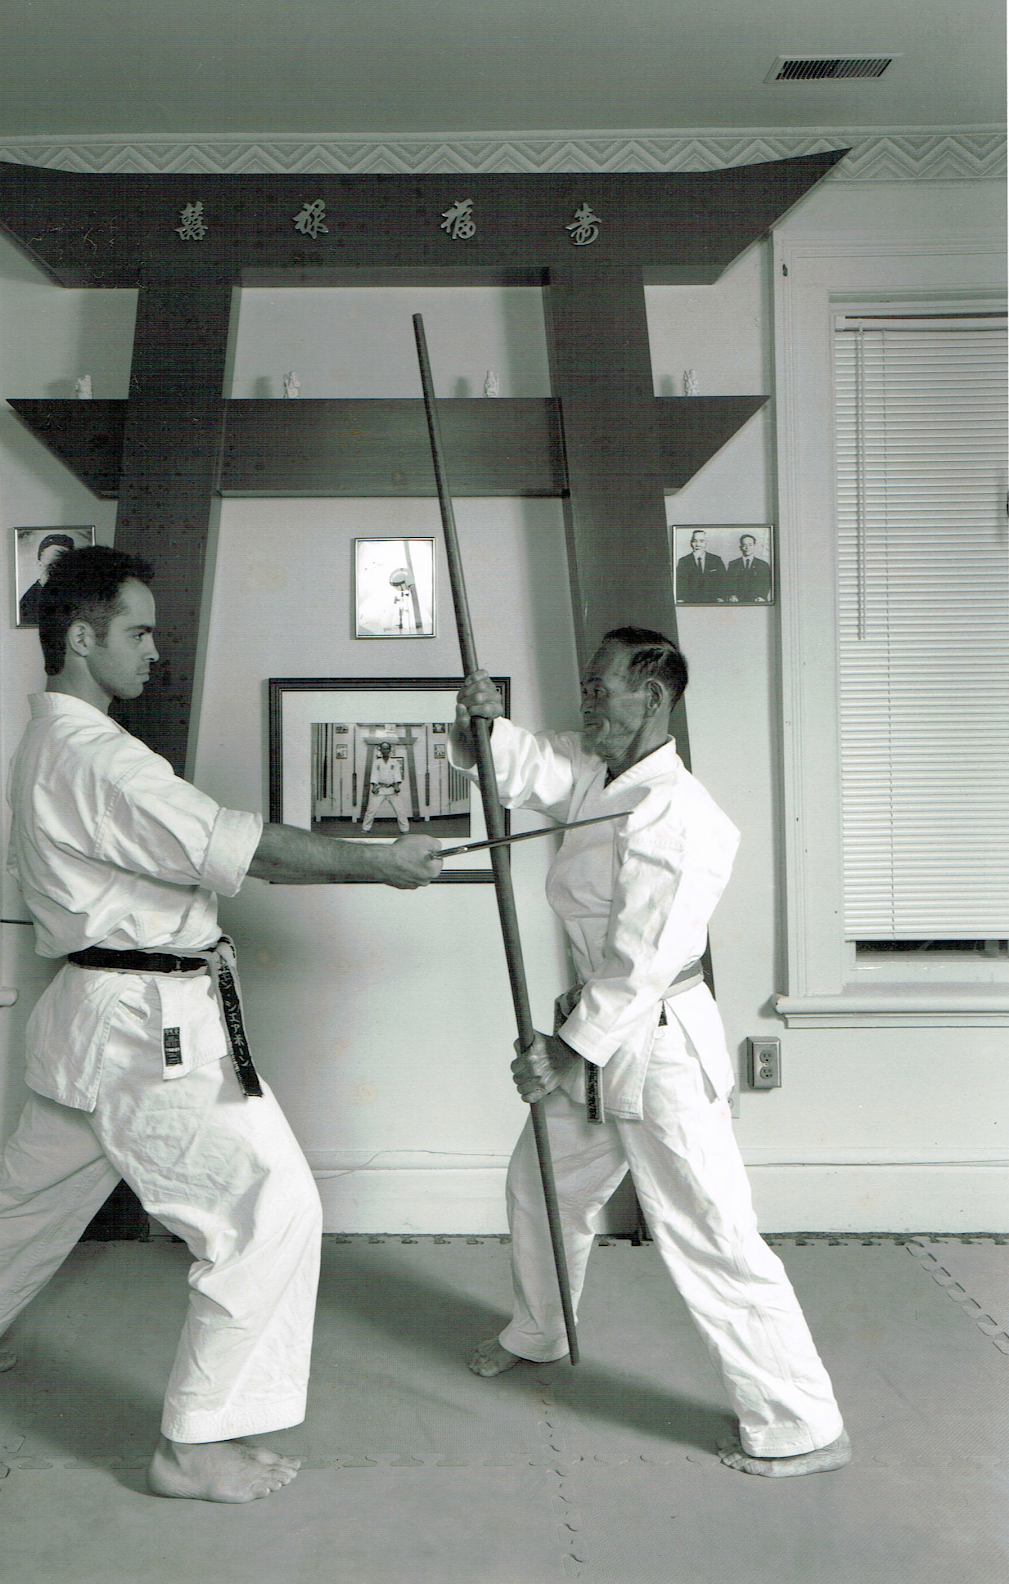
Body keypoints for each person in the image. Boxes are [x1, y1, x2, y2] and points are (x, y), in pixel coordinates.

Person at [0, 545, 442, 1504]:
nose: (153, 651)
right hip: (146, 1027)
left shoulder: (57, 742)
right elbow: (240, 848)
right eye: (138, 633)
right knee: (270, 1209)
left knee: (36, 1187)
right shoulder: (96, 756)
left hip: (100, 1015)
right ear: (81, 637)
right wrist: (379, 861)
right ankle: (194, 1447)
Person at [452, 628, 849, 1479]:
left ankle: (802, 1425)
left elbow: (641, 964)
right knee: (542, 1184)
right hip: (599, 1028)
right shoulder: (600, 771)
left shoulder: (680, 815)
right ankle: (543, 1329)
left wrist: (564, 1056)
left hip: (657, 1045)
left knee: (709, 1231)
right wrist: (482, 722)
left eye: (601, 690)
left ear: (654, 697)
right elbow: (526, 766)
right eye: (588, 688)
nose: (587, 702)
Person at [18, 531, 77, 624]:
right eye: (51, 564)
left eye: (62, 564)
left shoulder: (75, 597)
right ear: (40, 566)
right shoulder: (28, 603)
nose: (57, 570)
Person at [360, 741, 411, 833]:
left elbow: (397, 775)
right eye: (383, 748)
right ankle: (366, 828)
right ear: (380, 750)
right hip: (380, 789)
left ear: (390, 750)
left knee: (400, 810)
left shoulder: (394, 762)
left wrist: (397, 786)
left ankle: (405, 829)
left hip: (392, 789)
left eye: (387, 748)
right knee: (371, 810)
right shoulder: (377, 762)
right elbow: (374, 775)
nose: (385, 750)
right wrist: (374, 787)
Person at [674, 529, 726, 603]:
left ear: (706, 543)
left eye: (701, 541)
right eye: (695, 541)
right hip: (690, 602)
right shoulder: (683, 561)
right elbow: (680, 583)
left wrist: (721, 598)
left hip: (713, 602)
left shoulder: (716, 560)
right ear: (691, 543)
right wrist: (680, 599)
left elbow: (723, 581)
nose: (698, 544)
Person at [725, 533, 773, 602]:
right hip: (738, 601)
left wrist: (762, 596)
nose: (747, 547)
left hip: (757, 601)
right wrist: (732, 595)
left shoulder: (763, 565)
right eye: (744, 545)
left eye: (750, 545)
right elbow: (729, 582)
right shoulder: (733, 564)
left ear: (754, 546)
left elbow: (766, 583)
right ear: (740, 547)